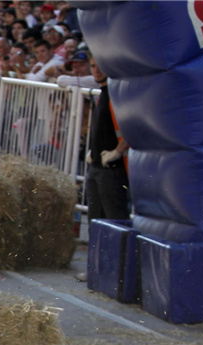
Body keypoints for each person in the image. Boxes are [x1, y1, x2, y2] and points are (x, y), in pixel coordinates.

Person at [85, 55, 130, 222]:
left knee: (115, 220)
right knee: (95, 220)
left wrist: (117, 152)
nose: (96, 70)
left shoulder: (116, 95)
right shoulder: (103, 94)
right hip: (96, 166)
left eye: (99, 66)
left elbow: (132, 126)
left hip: (111, 168)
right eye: (92, 66)